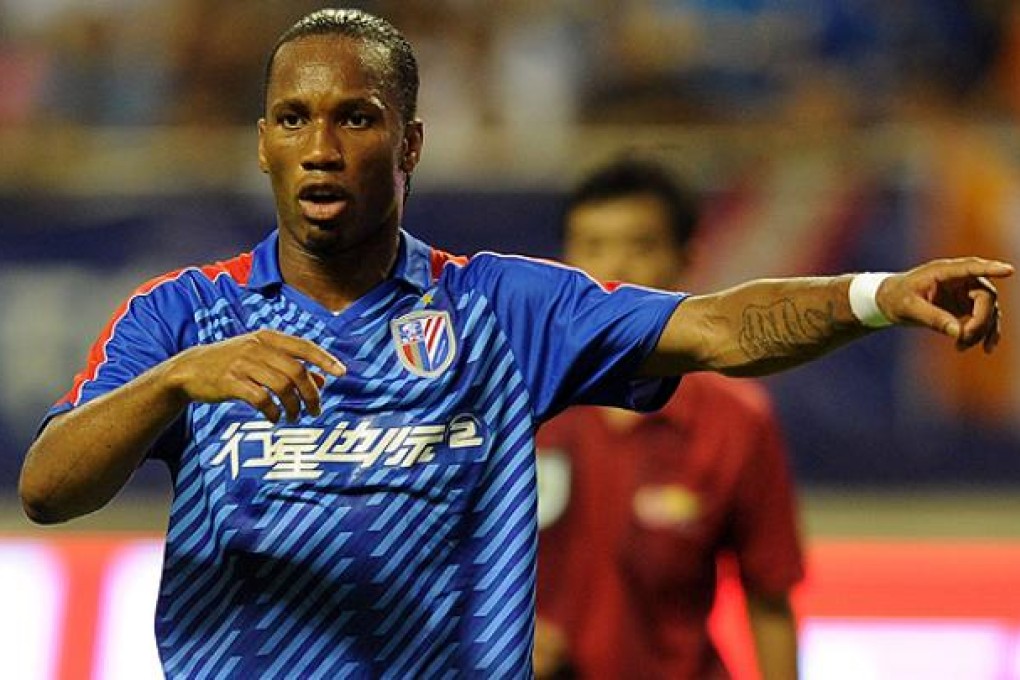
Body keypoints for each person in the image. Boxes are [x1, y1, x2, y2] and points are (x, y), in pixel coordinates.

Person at [17, 8, 1011, 679]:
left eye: (356, 118)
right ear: (264, 141)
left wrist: (877, 291)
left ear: (409, 143)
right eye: (294, 118)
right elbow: (48, 488)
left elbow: (714, 325)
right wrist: (177, 383)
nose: (322, 145)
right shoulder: (180, 315)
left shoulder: (498, 307)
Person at [533, 158, 803, 680]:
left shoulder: (735, 421)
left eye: (640, 246)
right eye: (591, 246)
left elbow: (770, 599)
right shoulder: (512, 397)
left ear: (687, 260)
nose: (613, 269)